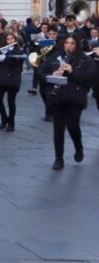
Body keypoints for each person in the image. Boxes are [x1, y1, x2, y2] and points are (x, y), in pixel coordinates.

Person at [42, 35, 96, 170]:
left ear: (77, 45)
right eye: (67, 43)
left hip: (75, 98)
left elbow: (90, 77)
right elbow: (41, 70)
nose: (69, 45)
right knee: (58, 129)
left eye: (72, 43)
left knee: (73, 126)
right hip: (58, 97)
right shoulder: (56, 57)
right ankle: (58, 158)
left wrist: (72, 71)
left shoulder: (85, 59)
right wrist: (52, 75)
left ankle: (78, 147)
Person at [0, 32, 26, 132]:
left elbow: (12, 62)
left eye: (12, 39)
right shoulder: (2, 50)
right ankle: (4, 118)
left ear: (15, 40)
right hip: (1, 78)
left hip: (12, 79)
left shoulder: (19, 51)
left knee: (11, 102)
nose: (10, 41)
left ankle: (11, 123)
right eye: (8, 39)